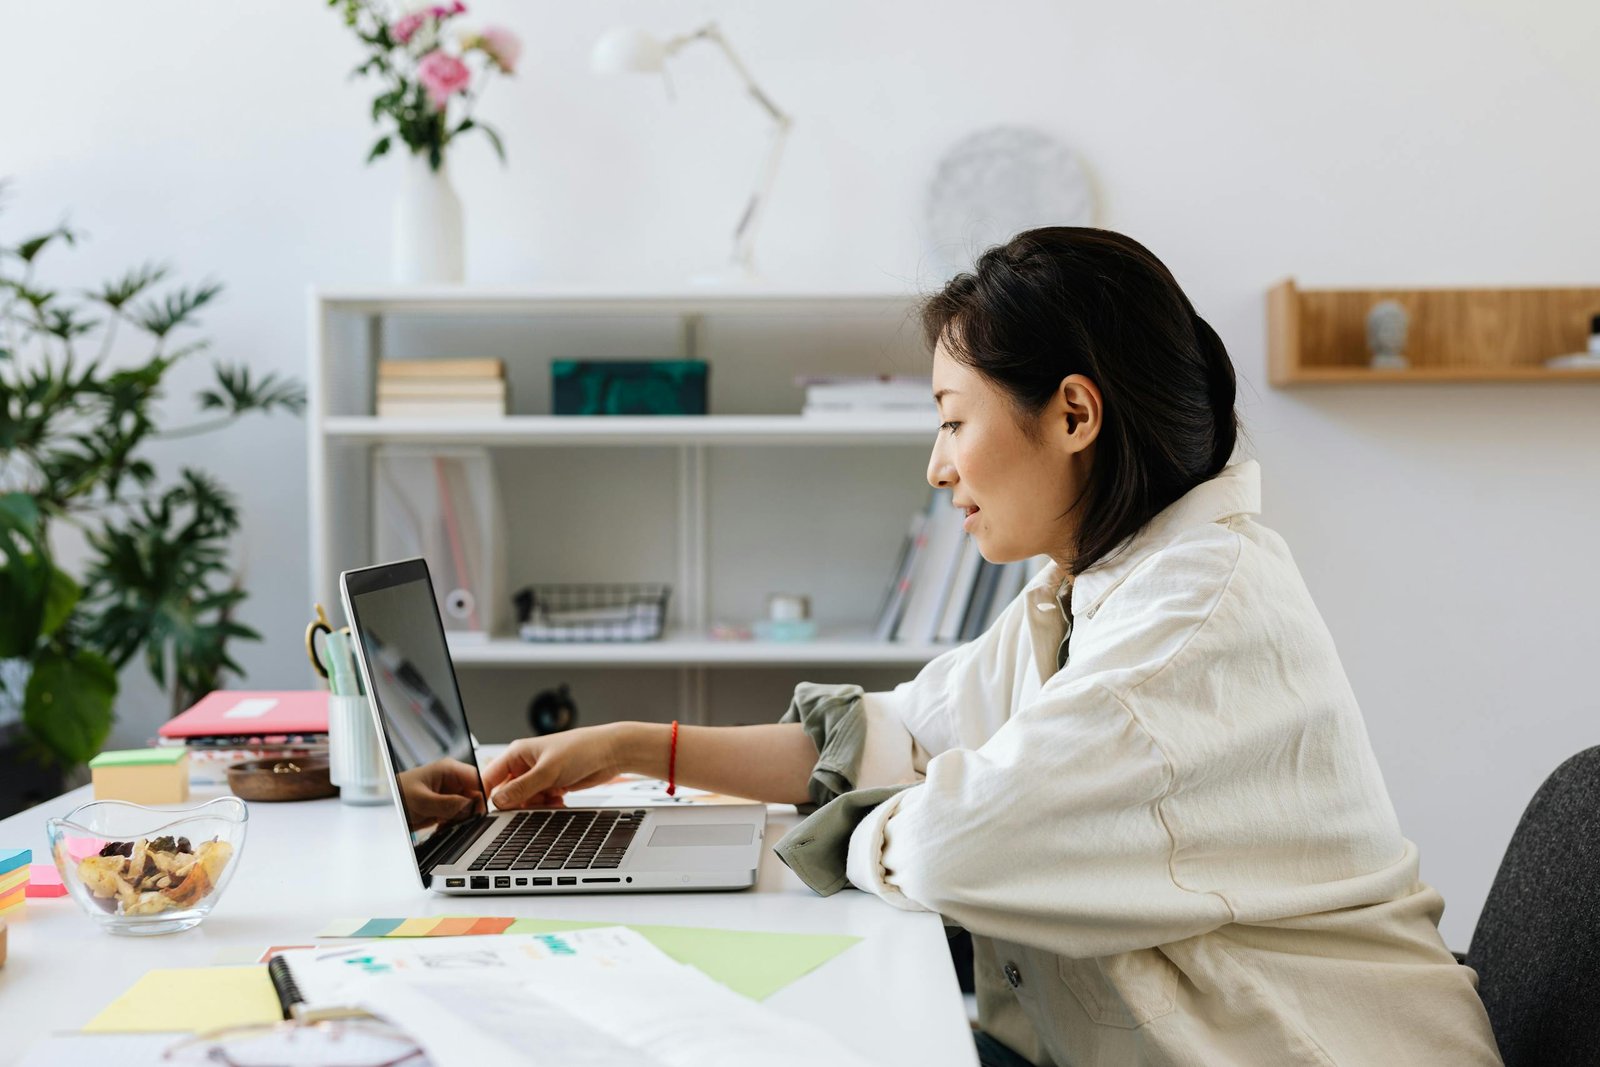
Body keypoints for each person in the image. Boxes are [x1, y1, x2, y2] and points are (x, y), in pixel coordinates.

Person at [482, 228, 1503, 1066]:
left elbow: (947, 843)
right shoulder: (1093, 589)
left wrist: (846, 829)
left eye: (951, 419)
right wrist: (625, 747)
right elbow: (894, 735)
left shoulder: (1189, 624)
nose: (936, 466)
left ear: (1071, 413)